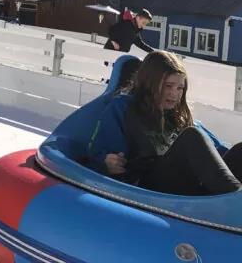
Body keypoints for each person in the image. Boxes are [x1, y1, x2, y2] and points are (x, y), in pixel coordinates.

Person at [90, 50, 241, 195]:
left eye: (180, 88)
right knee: (191, 136)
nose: (174, 93)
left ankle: (232, 200)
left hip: (191, 187)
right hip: (150, 186)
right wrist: (106, 162)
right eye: (168, 86)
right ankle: (236, 201)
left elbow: (218, 154)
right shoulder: (124, 108)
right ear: (150, 83)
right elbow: (97, 152)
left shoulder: (180, 116)